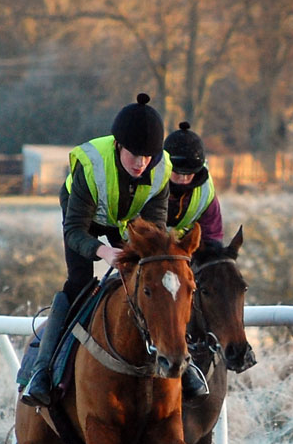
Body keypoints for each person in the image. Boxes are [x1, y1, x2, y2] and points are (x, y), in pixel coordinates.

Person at [21, 93, 208, 407]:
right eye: (134, 155)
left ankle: (180, 360)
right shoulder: (91, 168)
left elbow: (155, 229)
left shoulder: (161, 170)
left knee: (158, 282)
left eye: (148, 157)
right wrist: (102, 252)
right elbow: (74, 232)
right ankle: (41, 371)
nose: (141, 163)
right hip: (84, 219)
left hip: (125, 221)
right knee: (79, 284)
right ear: (119, 145)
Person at [164, 121, 224, 249]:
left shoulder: (205, 193)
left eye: (189, 174)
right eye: (177, 173)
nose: (183, 178)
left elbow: (212, 236)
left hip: (188, 253)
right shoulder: (149, 184)